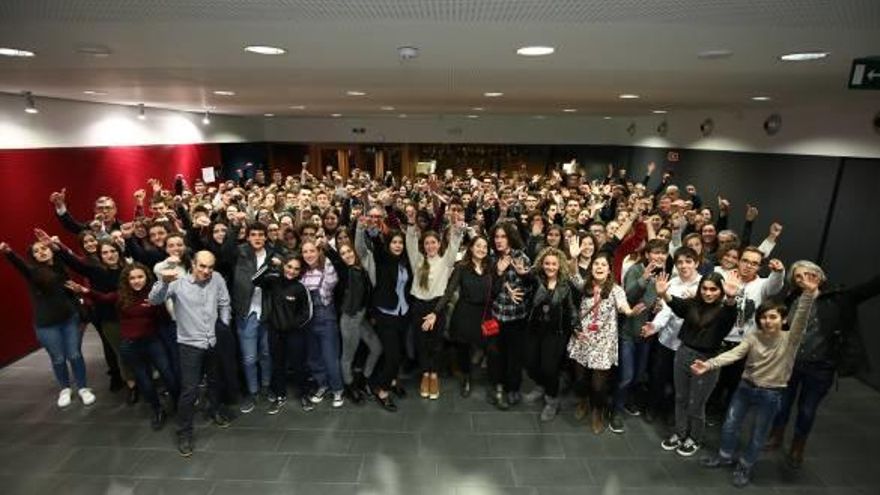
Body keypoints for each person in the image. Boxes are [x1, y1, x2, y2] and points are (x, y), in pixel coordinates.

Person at [694, 271, 819, 487]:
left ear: (783, 319)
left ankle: (745, 466)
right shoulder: (753, 337)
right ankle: (725, 456)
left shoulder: (791, 339)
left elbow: (801, 316)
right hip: (745, 387)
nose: (767, 321)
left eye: (773, 317)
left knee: (758, 434)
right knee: (730, 425)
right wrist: (709, 364)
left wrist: (808, 293)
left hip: (771, 393)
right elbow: (735, 354)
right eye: (763, 317)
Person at [767, 263, 880, 467]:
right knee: (781, 404)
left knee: (807, 409)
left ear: (820, 276)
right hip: (790, 362)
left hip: (820, 367)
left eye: (809, 274)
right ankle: (776, 435)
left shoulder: (840, 297)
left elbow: (871, 287)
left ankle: (797, 447)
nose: (804, 279)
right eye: (798, 277)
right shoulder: (793, 298)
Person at [67, 264, 179, 430]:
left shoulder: (154, 295)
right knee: (145, 381)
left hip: (153, 342)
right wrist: (83, 291)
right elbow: (102, 298)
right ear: (127, 281)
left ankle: (178, 404)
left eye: (140, 277)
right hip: (131, 346)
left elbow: (164, 318)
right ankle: (157, 410)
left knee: (168, 374)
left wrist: (158, 301)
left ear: (147, 278)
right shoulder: (120, 296)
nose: (136, 281)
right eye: (132, 278)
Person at [149, 250, 233, 458]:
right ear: (193, 264)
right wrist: (163, 282)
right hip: (189, 345)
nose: (206, 271)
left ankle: (214, 411)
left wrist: (224, 324)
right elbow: (154, 300)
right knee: (190, 391)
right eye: (202, 266)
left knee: (215, 381)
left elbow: (224, 302)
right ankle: (184, 433)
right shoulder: (177, 283)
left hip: (213, 341)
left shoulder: (218, 279)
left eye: (210, 267)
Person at [653, 271, 740, 457]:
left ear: (721, 291)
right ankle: (680, 432)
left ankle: (695, 437)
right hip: (683, 353)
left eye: (714, 289)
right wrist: (663, 294)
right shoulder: (693, 304)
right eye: (705, 289)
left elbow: (731, 314)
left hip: (707, 359)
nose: (708, 293)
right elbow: (677, 305)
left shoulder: (725, 311)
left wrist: (731, 297)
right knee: (681, 398)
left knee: (697, 403)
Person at [1, 240, 95, 408]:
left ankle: (83, 388)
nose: (41, 252)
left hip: (69, 319)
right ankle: (65, 389)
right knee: (58, 359)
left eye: (44, 248)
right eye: (36, 251)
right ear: (33, 257)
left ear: (51, 251)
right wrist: (9, 253)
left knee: (74, 355)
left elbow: (68, 289)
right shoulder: (34, 272)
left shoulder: (60, 268)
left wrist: (76, 296)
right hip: (47, 325)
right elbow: (22, 266)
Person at [567, 252, 643, 433]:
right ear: (591, 268)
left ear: (609, 270)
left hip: (604, 343)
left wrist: (631, 312)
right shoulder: (584, 285)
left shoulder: (616, 290)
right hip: (582, 339)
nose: (599, 267)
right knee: (580, 379)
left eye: (603, 265)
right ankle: (584, 401)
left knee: (598, 385)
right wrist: (574, 257)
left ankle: (597, 412)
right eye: (596, 265)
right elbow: (572, 273)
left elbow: (624, 307)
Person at [406, 208, 464, 400]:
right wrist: (411, 223)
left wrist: (456, 228)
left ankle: (434, 375)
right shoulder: (418, 260)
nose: (430, 246)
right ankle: (425, 374)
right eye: (427, 243)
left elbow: (455, 244)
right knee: (421, 343)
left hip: (437, 306)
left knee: (436, 343)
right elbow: (410, 242)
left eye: (433, 242)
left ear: (439, 245)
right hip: (419, 306)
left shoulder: (446, 261)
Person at [426, 236, 493, 398]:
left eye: (485, 246)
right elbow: (449, 291)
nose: (481, 249)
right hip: (464, 313)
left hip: (485, 314)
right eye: (478, 246)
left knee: (491, 347)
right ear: (471, 248)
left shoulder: (491, 267)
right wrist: (435, 311)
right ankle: (466, 378)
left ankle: (494, 381)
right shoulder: (462, 267)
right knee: (463, 349)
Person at [356, 218, 410, 412]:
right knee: (393, 355)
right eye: (394, 242)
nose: (397, 245)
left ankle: (393, 381)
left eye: (400, 243)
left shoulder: (406, 261)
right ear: (389, 244)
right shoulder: (383, 258)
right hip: (385, 314)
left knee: (399, 353)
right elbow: (377, 244)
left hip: (403, 313)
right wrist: (370, 229)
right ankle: (382, 389)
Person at [523, 247, 582, 422]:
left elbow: (571, 308)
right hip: (534, 330)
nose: (550, 267)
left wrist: (576, 326)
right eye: (547, 263)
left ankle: (552, 399)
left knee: (550, 368)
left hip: (555, 333)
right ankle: (541, 386)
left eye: (554, 264)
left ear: (560, 265)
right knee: (531, 364)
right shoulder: (535, 280)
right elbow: (524, 279)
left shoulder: (566, 284)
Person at [252, 255, 313, 414]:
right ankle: (280, 396)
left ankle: (304, 395)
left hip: (295, 334)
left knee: (299, 365)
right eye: (289, 266)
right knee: (277, 365)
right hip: (275, 332)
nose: (291, 271)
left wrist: (292, 325)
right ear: (283, 265)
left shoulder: (300, 288)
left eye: (296, 269)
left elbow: (307, 313)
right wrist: (269, 263)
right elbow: (255, 280)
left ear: (300, 271)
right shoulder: (273, 280)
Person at [225, 222, 276, 414]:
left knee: (266, 354)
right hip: (245, 312)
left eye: (260, 234)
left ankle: (266, 386)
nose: (257, 238)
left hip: (266, 312)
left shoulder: (273, 254)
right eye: (253, 234)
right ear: (247, 236)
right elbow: (225, 249)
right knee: (249, 358)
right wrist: (236, 225)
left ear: (265, 236)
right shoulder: (239, 252)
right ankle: (253, 392)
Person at [327, 241, 383, 404]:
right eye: (343, 253)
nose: (347, 255)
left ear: (354, 251)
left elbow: (367, 295)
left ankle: (364, 379)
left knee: (377, 348)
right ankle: (350, 386)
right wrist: (328, 248)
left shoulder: (361, 270)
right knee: (347, 357)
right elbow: (337, 262)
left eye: (349, 251)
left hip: (362, 318)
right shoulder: (345, 272)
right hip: (349, 320)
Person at [300, 240, 344, 407]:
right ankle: (322, 385)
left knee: (330, 356)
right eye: (305, 252)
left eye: (312, 251)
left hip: (326, 317)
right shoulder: (302, 273)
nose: (309, 254)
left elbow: (333, 271)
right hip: (307, 320)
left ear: (318, 252)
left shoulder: (327, 269)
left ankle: (337, 389)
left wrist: (326, 246)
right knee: (314, 357)